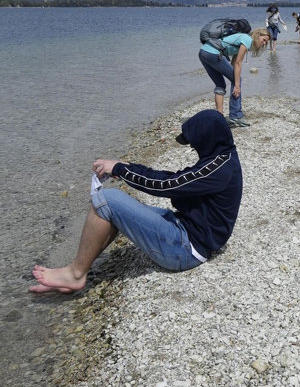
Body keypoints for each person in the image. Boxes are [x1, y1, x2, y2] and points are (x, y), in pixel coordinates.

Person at [29, 109, 243, 293]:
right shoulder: (222, 159)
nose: (193, 148)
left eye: (194, 144)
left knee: (108, 199)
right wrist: (128, 166)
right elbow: (173, 178)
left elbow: (167, 185)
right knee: (114, 208)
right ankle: (78, 270)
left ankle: (75, 274)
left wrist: (121, 170)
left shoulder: (217, 169)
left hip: (186, 249)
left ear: (207, 140)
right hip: (187, 231)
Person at [199, 27, 270, 127]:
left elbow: (233, 63)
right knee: (237, 80)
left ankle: (219, 118)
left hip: (203, 52)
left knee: (220, 84)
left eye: (266, 43)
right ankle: (235, 115)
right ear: (258, 35)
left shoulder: (243, 39)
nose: (264, 43)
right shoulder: (247, 39)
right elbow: (238, 63)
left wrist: (233, 78)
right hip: (213, 53)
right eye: (264, 40)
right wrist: (236, 84)